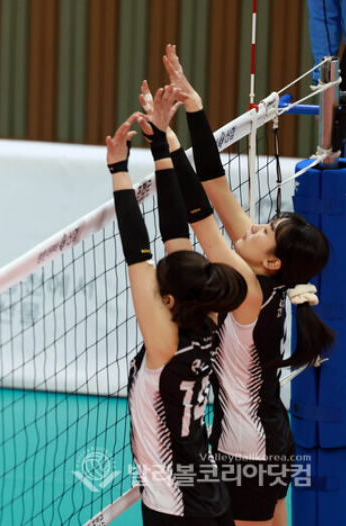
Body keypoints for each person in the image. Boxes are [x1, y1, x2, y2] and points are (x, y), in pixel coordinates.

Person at [161, 44, 335, 526]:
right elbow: (216, 186)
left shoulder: (248, 289)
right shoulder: (263, 272)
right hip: (268, 438)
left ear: (273, 260)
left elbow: (202, 220)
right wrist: (194, 108)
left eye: (265, 231)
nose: (254, 226)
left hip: (249, 452)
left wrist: (169, 146)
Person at [109, 86, 247, 525]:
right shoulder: (208, 316)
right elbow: (173, 235)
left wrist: (118, 168)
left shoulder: (164, 345)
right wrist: (159, 147)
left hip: (178, 508)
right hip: (206, 494)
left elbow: (138, 255)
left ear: (168, 300)